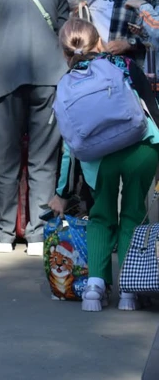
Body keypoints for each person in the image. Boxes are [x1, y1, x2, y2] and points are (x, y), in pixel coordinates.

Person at [49, 18, 159, 312]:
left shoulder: (65, 85)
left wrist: (61, 191)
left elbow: (68, 146)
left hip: (99, 157)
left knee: (101, 216)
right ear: (98, 41)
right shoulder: (122, 65)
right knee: (134, 214)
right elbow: (152, 108)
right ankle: (128, 290)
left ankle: (94, 289)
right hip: (141, 147)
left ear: (64, 51)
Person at [0, 0, 70, 255]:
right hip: (50, 80)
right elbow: (66, 34)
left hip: (6, 80)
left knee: (4, 160)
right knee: (43, 161)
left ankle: (4, 236)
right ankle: (37, 236)